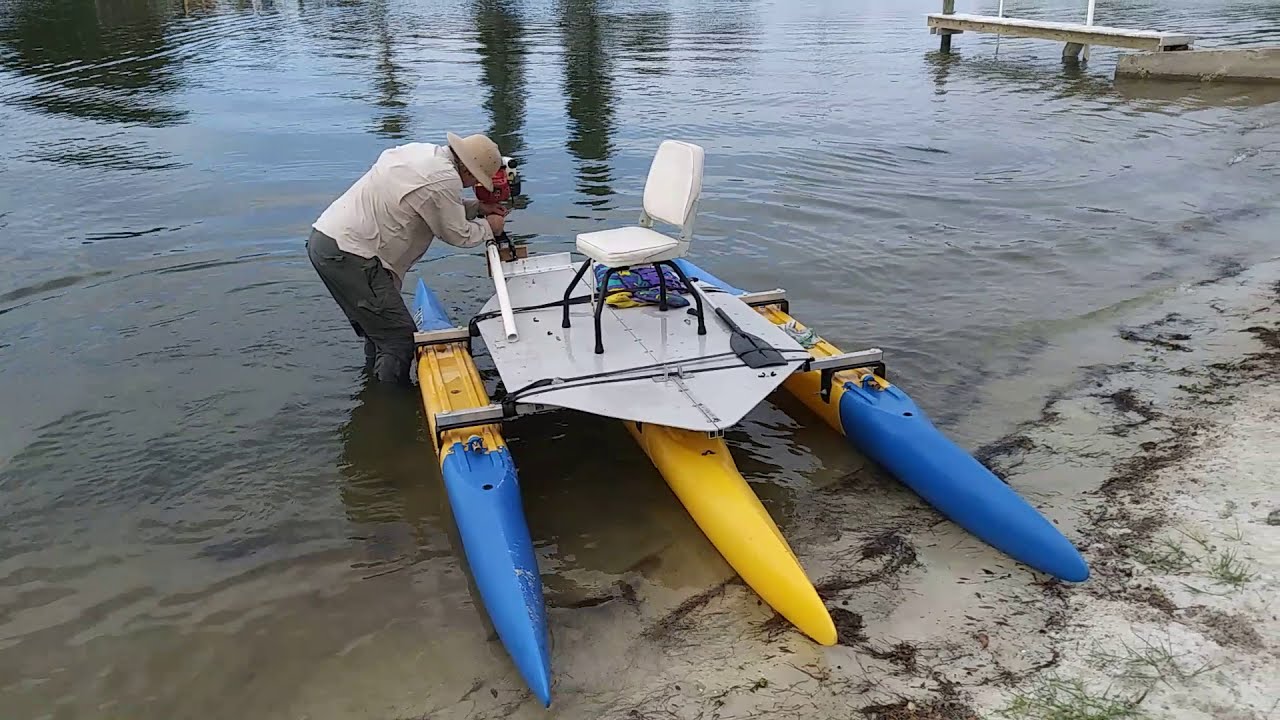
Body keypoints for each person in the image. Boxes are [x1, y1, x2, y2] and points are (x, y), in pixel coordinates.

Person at [307, 132, 508, 385]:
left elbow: (430, 201)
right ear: (469, 171)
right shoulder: (444, 179)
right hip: (351, 254)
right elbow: (458, 234)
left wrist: (476, 208)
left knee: (379, 332)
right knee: (399, 338)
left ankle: (372, 388)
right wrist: (491, 227)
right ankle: (390, 406)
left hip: (326, 241)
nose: (472, 186)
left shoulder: (423, 153)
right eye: (476, 181)